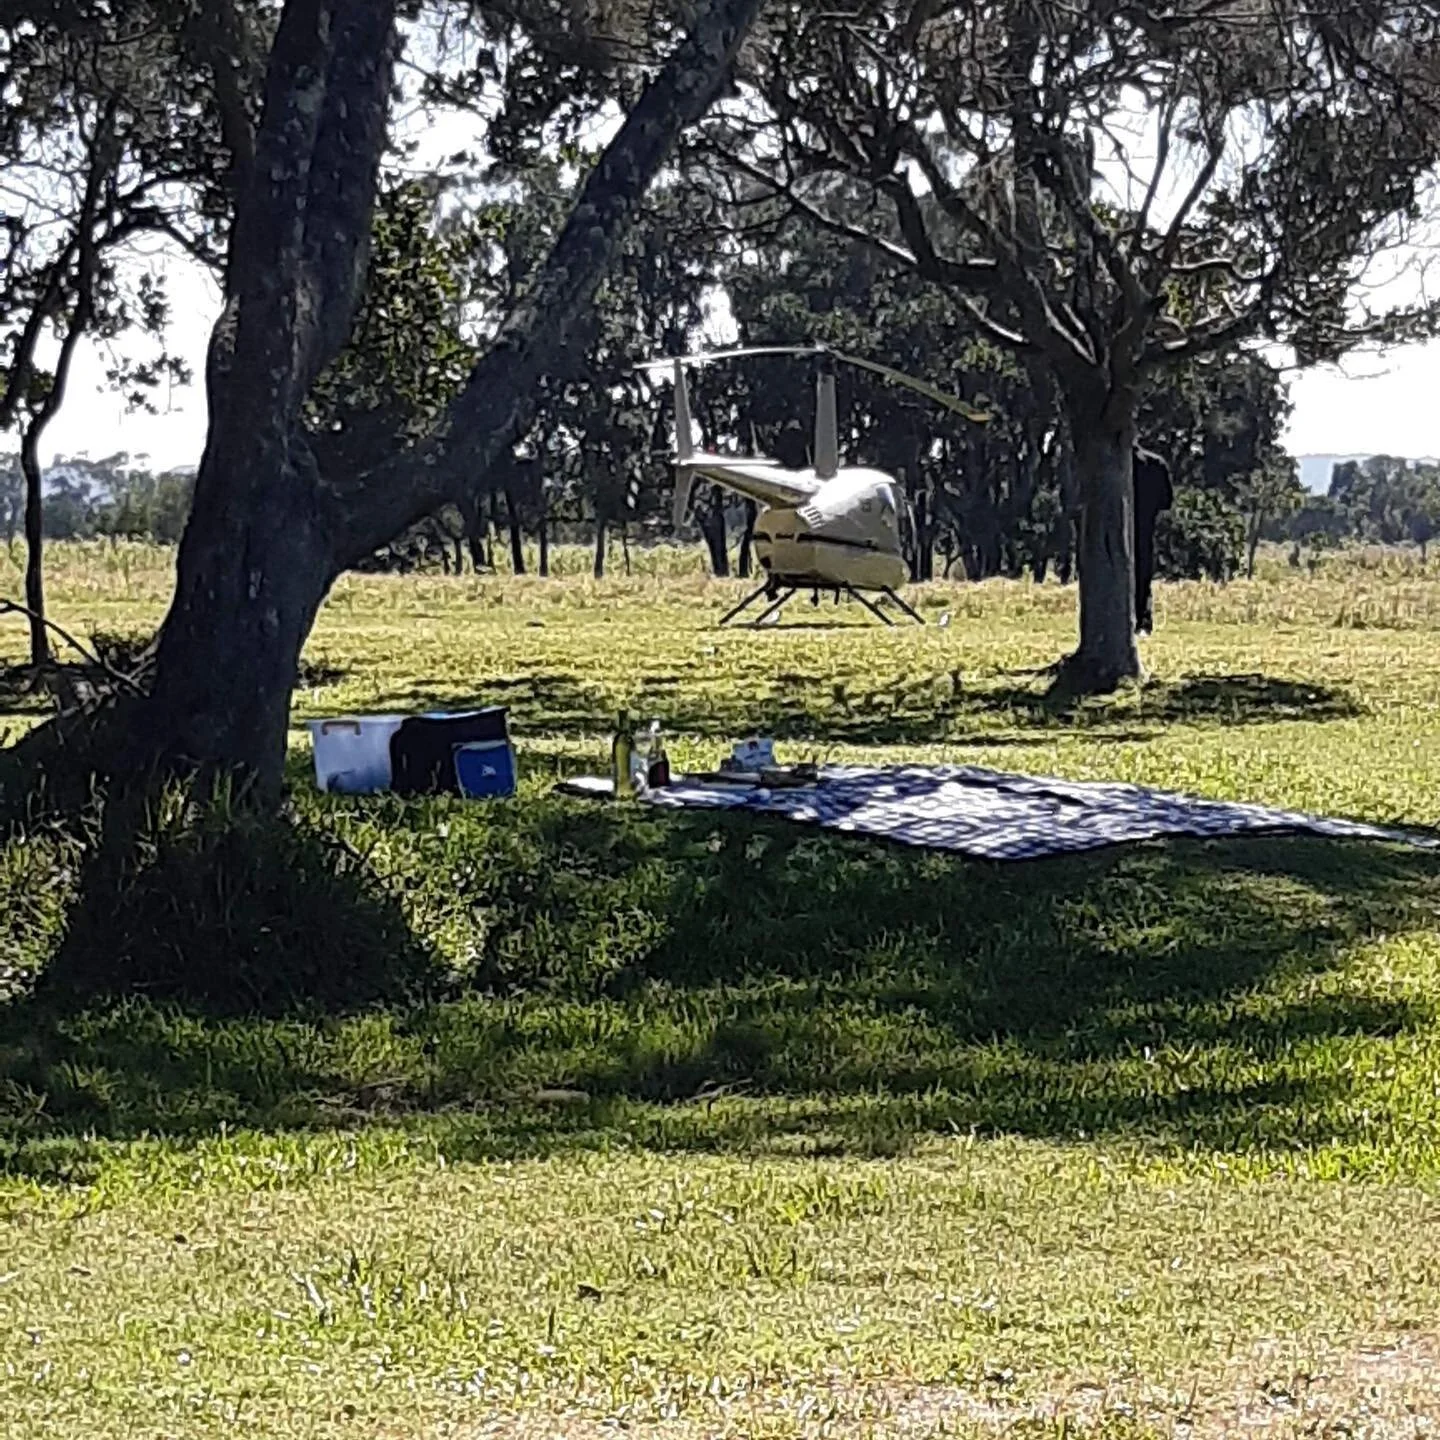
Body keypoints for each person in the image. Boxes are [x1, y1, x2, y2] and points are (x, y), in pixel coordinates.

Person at [1133, 446, 1174, 635]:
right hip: (1145, 528)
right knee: (1142, 575)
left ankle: (1139, 619)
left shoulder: (1106, 465)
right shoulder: (1155, 464)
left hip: (1128, 528)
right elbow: (1166, 501)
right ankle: (1142, 620)